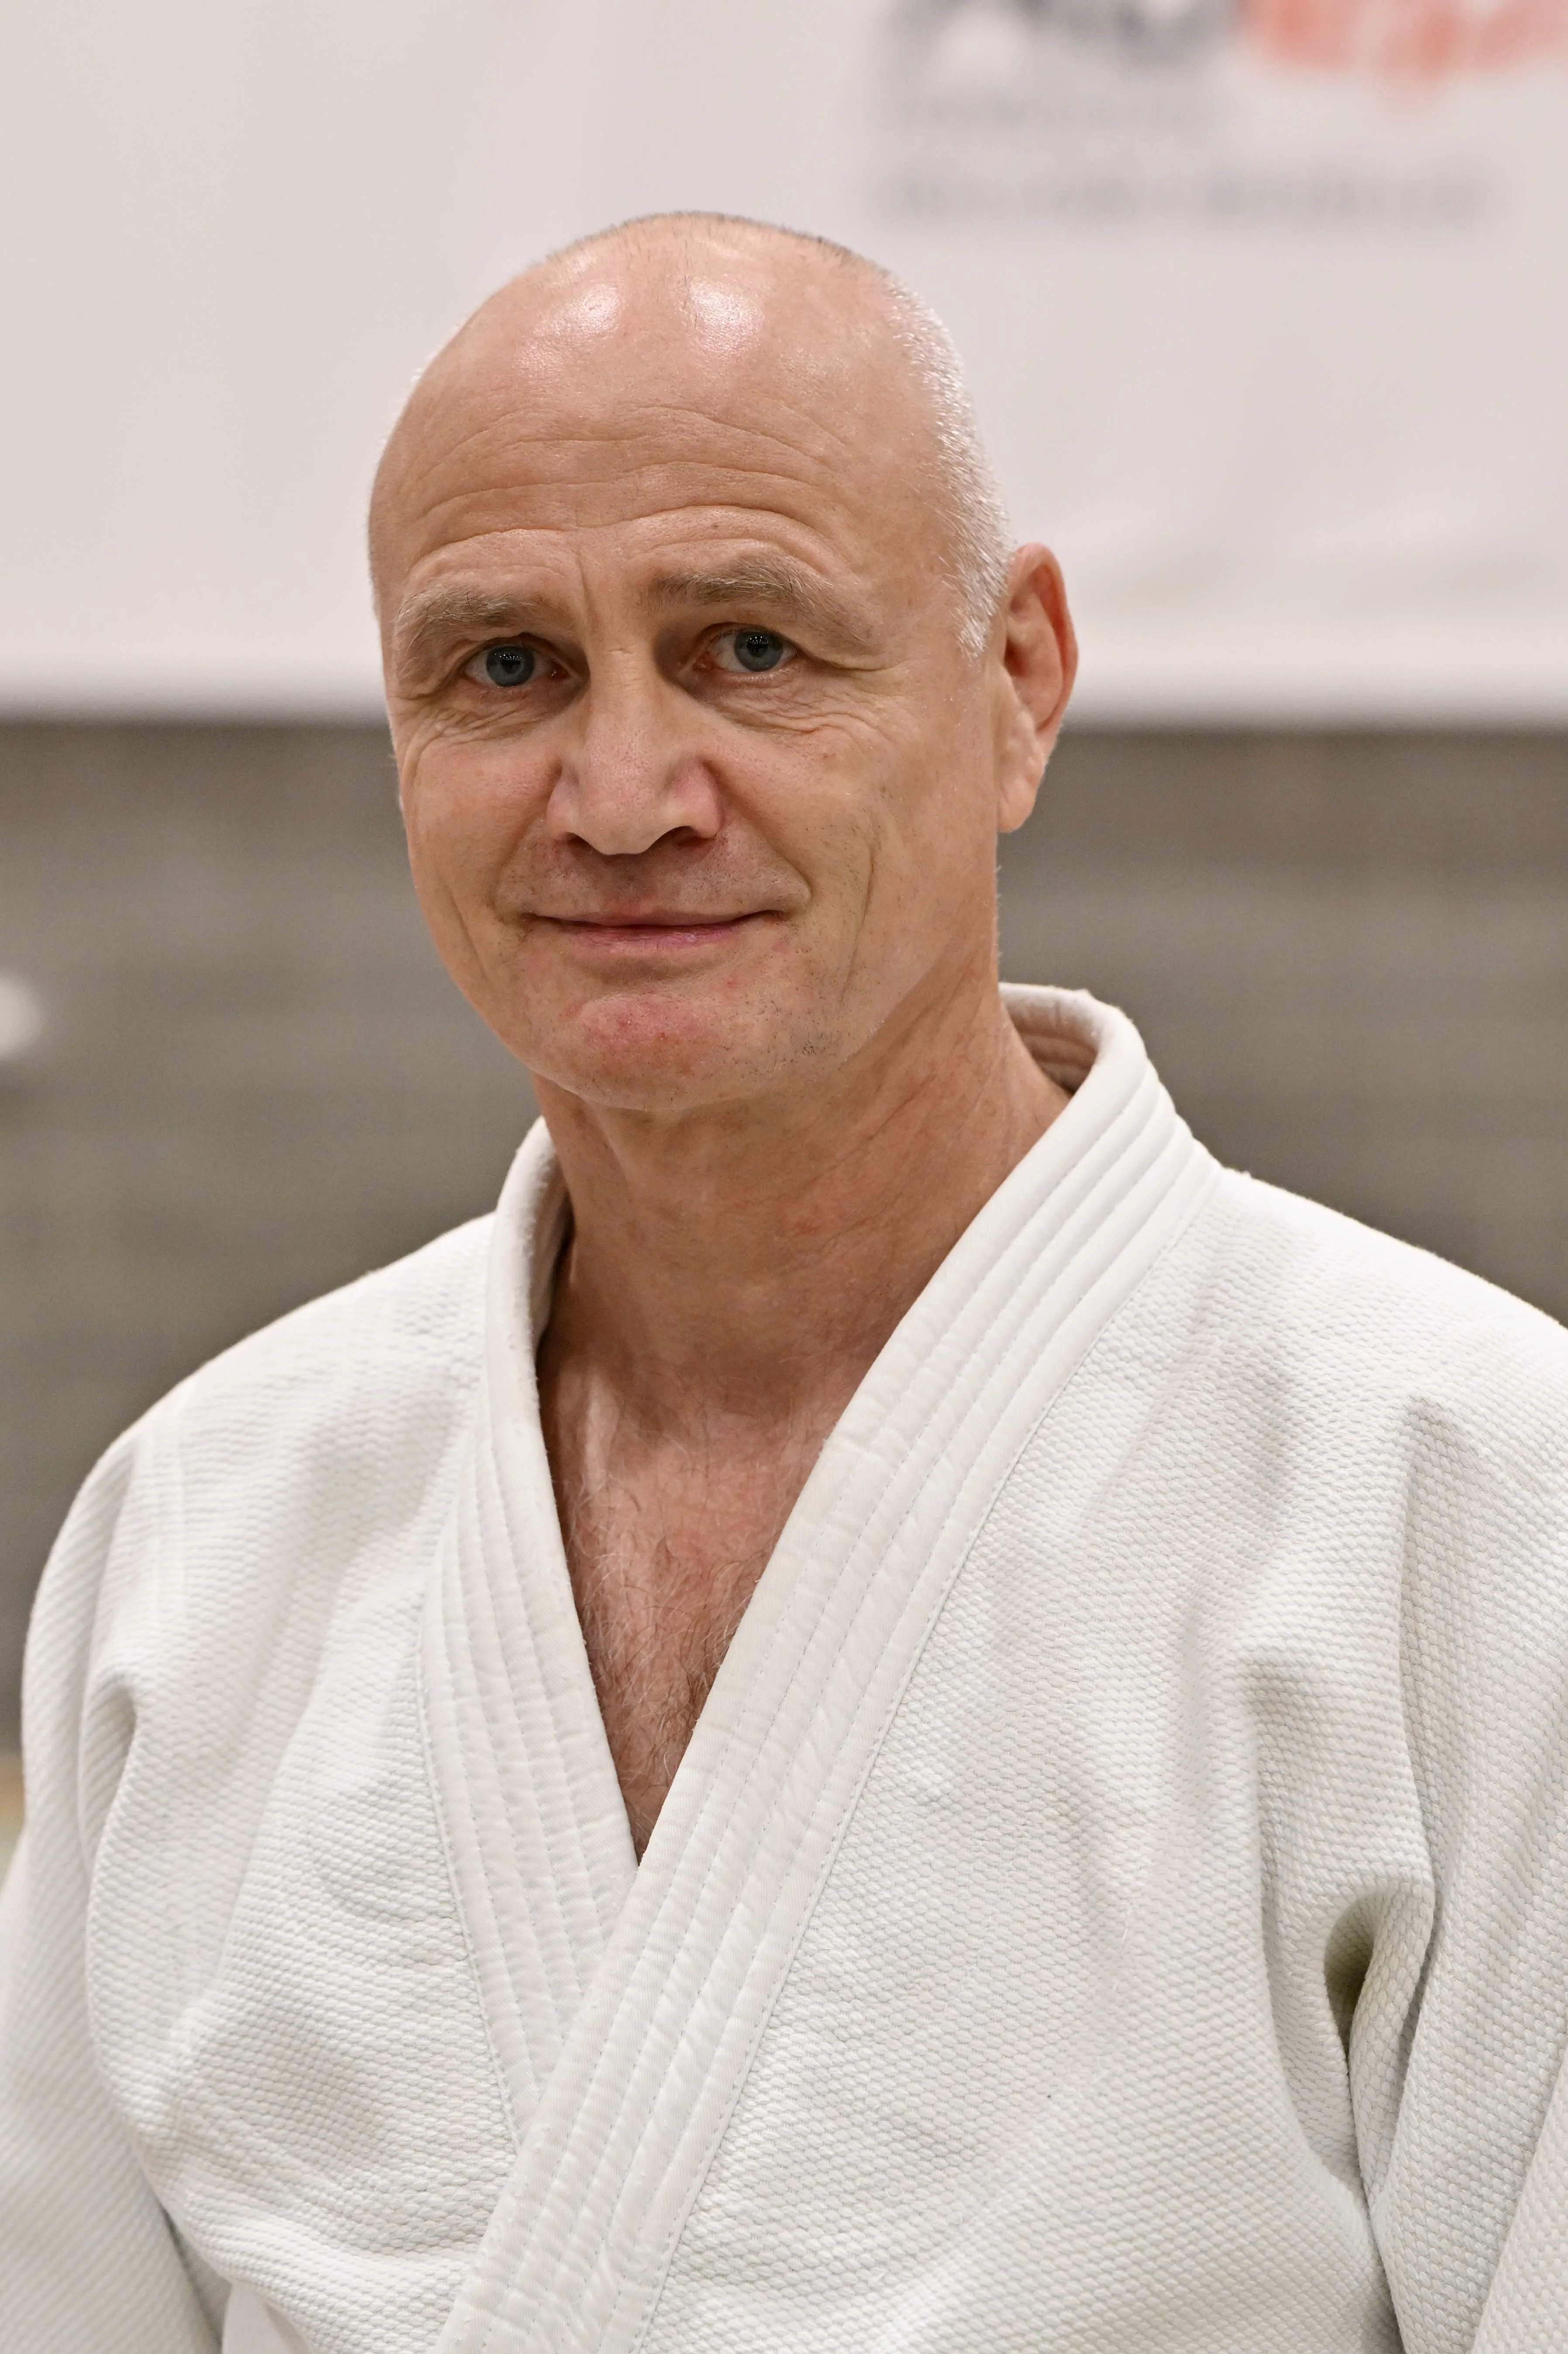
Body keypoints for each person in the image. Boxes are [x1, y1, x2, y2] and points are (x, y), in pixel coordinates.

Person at [1, 213, 1565, 2354]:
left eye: (749, 647)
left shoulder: (1465, 1502)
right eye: (504, 669)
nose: (624, 797)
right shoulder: (199, 1531)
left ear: (1014, 684)